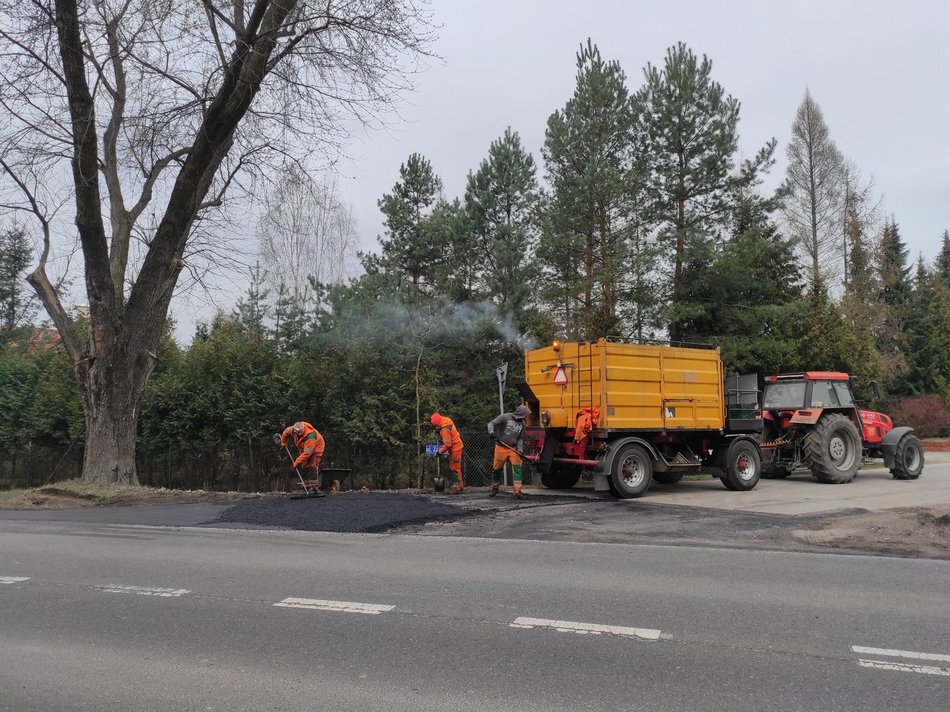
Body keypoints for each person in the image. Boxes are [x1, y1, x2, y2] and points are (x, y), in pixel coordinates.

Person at [487, 404, 531, 497]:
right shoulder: (505, 417)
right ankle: (495, 488)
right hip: (501, 447)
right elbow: (491, 424)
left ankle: (517, 491)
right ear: (521, 414)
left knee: (517, 468)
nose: (526, 417)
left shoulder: (522, 424)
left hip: (513, 448)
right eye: (526, 415)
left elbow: (520, 438)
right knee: (497, 469)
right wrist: (491, 432)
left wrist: (520, 450)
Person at [280, 421, 326, 489]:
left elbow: (307, 453)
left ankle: (314, 488)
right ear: (295, 431)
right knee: (304, 465)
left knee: (312, 465)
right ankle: (305, 487)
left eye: (301, 432)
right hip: (304, 448)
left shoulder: (311, 436)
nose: (300, 433)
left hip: (316, 449)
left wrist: (297, 461)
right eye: (298, 433)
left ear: (303, 428)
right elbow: (285, 432)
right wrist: (283, 441)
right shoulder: (293, 430)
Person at [430, 412, 464, 493]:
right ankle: (460, 485)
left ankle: (457, 487)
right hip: (457, 446)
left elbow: (447, 445)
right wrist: (440, 429)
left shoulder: (445, 430)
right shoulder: (447, 420)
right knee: (455, 467)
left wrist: (440, 452)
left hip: (455, 449)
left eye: (435, 426)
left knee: (455, 468)